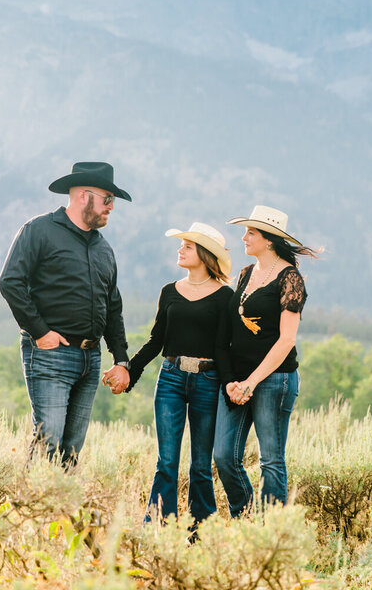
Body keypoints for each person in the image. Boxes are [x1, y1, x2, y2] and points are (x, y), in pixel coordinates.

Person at [0, 161, 133, 467]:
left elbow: (113, 307)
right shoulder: (39, 231)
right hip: (50, 354)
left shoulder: (103, 249)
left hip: (91, 359)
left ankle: (60, 509)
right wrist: (40, 331)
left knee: (71, 449)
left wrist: (121, 360)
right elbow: (10, 282)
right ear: (83, 196)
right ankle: (34, 508)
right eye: (108, 199)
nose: (112, 207)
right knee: (49, 440)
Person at [115, 222, 232, 523]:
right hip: (170, 379)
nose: (180, 250)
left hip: (209, 380)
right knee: (166, 462)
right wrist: (130, 370)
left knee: (201, 466)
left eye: (187, 246)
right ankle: (158, 531)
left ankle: (201, 533)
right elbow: (157, 340)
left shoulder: (224, 297)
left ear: (205, 255)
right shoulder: (169, 291)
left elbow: (223, 348)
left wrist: (233, 385)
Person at [214, 205, 320, 516]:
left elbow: (287, 340)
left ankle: (271, 535)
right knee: (223, 455)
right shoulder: (246, 274)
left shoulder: (291, 278)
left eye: (251, 232)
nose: (244, 238)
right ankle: (248, 519)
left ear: (269, 240)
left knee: (270, 460)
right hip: (239, 381)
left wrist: (252, 381)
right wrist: (233, 380)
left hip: (275, 380)